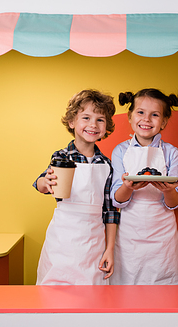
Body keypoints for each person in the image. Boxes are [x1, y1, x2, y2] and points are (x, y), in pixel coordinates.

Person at [34, 89, 120, 285]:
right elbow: (41, 181)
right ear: (72, 122)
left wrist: (109, 249)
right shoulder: (62, 157)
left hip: (94, 241)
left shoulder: (106, 164)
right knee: (56, 293)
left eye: (100, 119)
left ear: (106, 127)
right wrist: (44, 183)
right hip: (63, 238)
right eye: (86, 117)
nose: (93, 124)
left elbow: (110, 211)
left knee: (92, 294)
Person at [110, 88, 178, 285]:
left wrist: (168, 190)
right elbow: (116, 199)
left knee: (164, 289)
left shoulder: (171, 153)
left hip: (162, 235)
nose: (147, 119)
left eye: (155, 115)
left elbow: (175, 202)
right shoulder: (120, 151)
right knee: (127, 288)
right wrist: (128, 187)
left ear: (164, 121)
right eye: (140, 112)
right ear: (130, 116)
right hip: (129, 234)